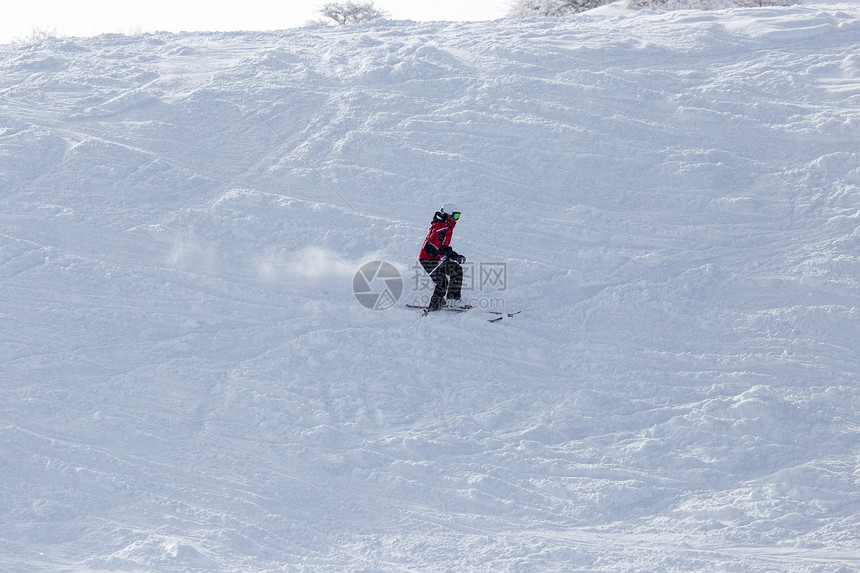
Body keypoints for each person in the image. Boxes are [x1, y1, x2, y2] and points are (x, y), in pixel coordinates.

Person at [418, 203, 467, 312]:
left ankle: (452, 301)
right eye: (455, 216)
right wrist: (451, 254)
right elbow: (433, 242)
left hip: (438, 258)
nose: (456, 220)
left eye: (458, 217)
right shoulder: (440, 226)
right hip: (428, 259)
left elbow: (443, 245)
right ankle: (433, 309)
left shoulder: (447, 226)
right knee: (442, 282)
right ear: (448, 214)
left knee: (457, 270)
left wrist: (453, 255)